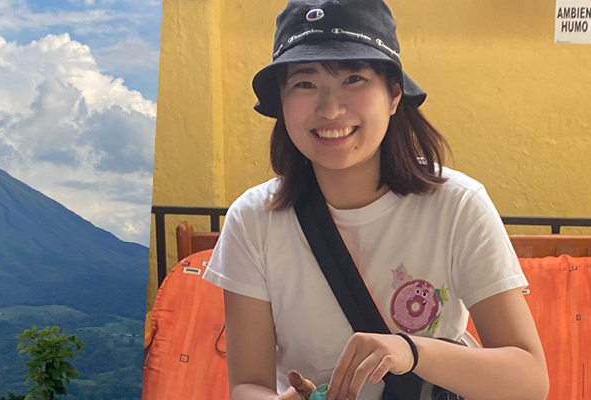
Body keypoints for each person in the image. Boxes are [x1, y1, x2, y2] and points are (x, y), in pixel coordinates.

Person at [204, 1, 551, 399]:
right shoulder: (253, 220)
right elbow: (248, 385)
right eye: (305, 83)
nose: (330, 108)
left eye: (353, 78)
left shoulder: (457, 206)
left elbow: (529, 380)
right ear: (282, 104)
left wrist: (411, 351)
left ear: (393, 95)